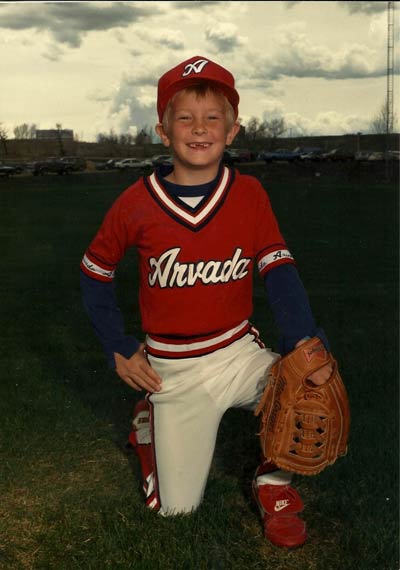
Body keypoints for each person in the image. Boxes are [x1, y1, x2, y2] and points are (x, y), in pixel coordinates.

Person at [80, 55, 332, 548]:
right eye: (185, 117)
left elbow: (279, 272)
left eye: (213, 117)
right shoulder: (136, 202)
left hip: (237, 353)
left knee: (308, 394)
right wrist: (118, 343)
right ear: (162, 130)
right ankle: (149, 425)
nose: (200, 128)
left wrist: (303, 340)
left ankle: (273, 484)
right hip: (172, 370)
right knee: (177, 512)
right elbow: (95, 272)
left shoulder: (250, 194)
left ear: (233, 130)